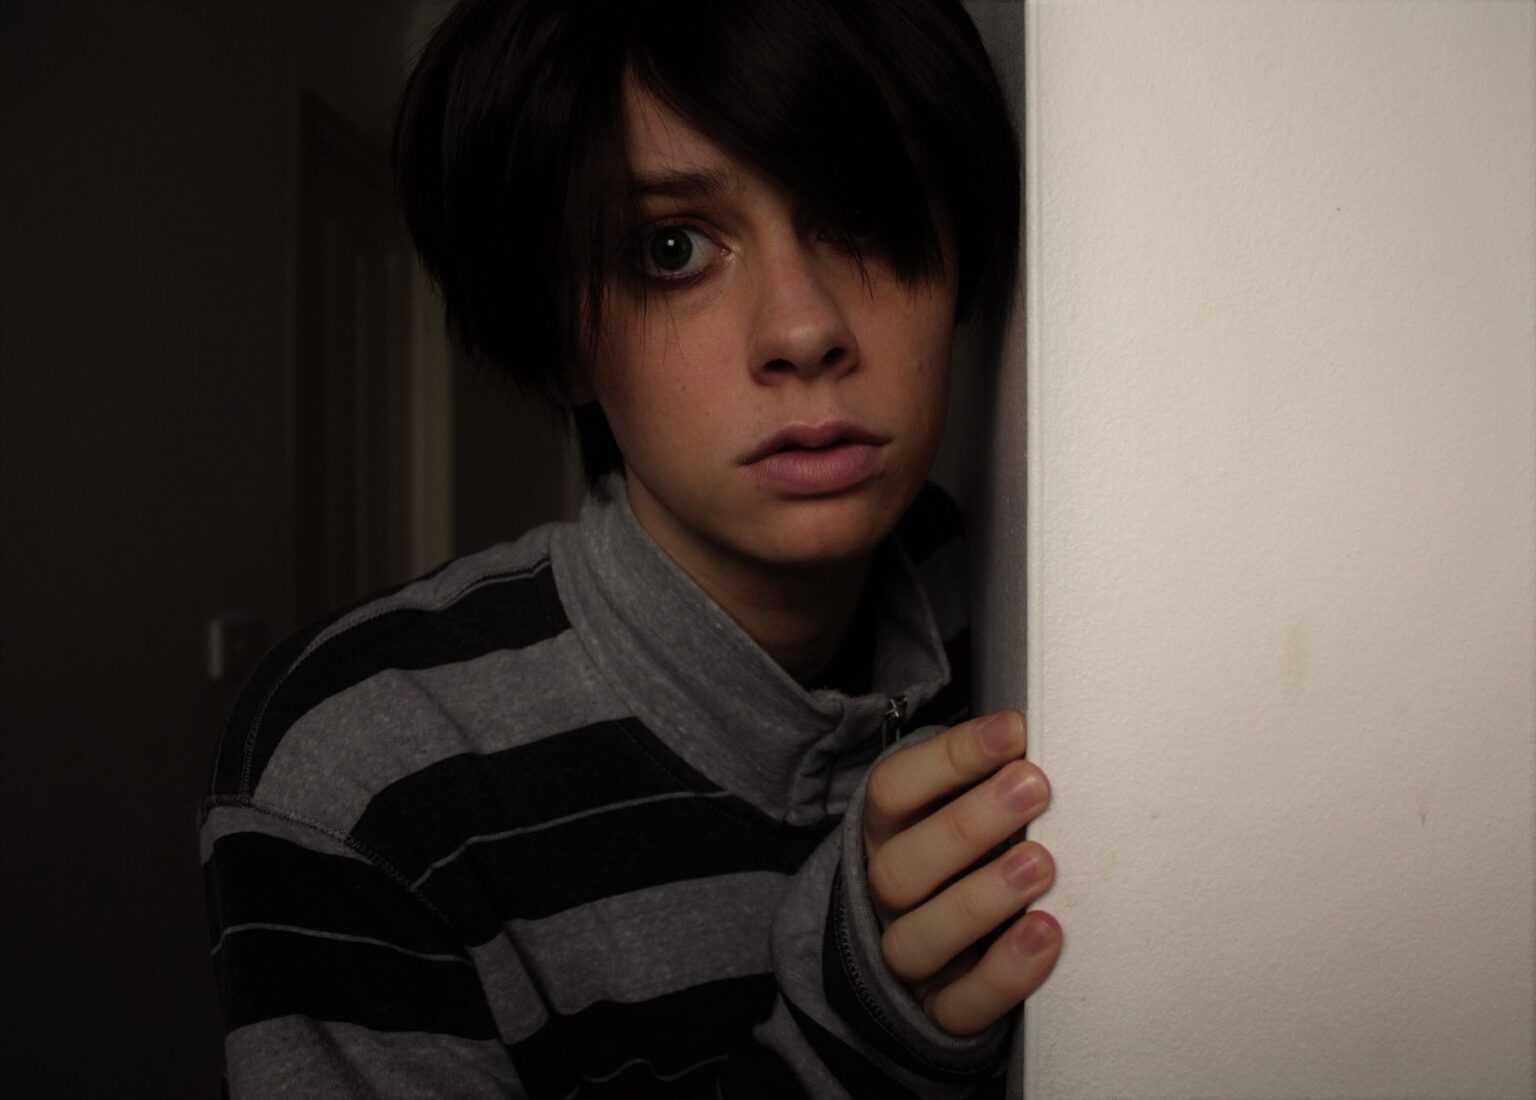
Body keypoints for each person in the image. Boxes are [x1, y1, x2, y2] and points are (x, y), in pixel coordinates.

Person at [199, 0, 1060, 1095]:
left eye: (865, 216)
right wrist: (863, 1030)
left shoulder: (1049, 614)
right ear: (562, 329)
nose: (803, 330)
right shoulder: (362, 767)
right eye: (672, 249)